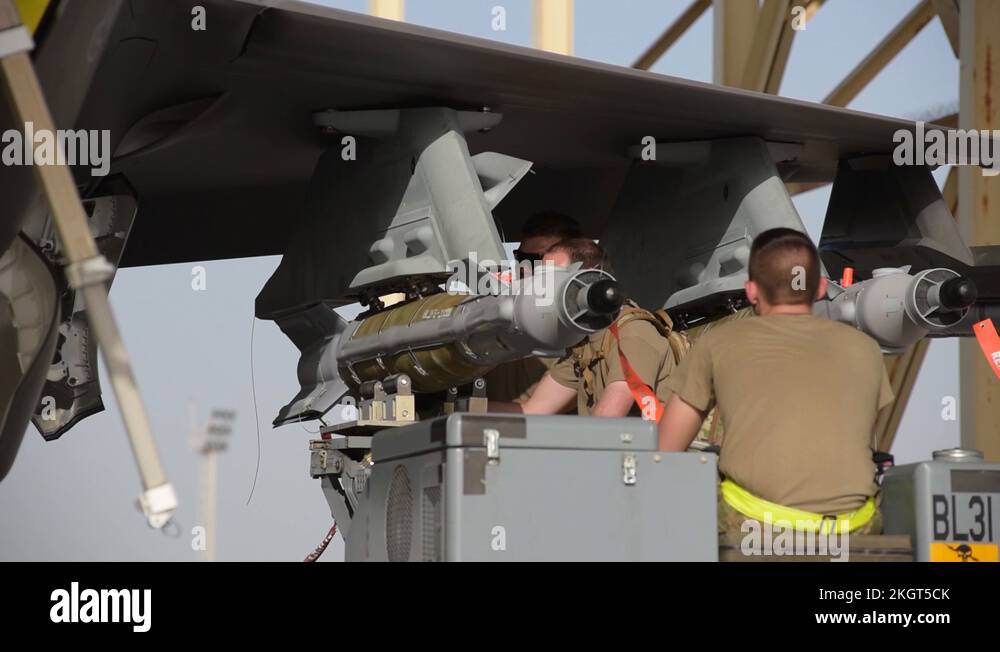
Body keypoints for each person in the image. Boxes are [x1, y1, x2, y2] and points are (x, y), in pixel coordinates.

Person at [658, 227, 894, 535]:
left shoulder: (718, 342)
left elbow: (665, 452)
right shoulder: (865, 348)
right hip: (851, 527)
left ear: (752, 291)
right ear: (821, 287)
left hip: (756, 525)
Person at [494, 238, 676, 419]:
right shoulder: (584, 339)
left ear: (588, 281)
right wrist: (469, 408)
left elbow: (605, 425)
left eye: (554, 281)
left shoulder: (633, 334)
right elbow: (533, 411)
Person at [484, 212, 583, 403]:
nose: (524, 268)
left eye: (537, 261)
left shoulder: (586, 326)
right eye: (521, 258)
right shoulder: (497, 312)